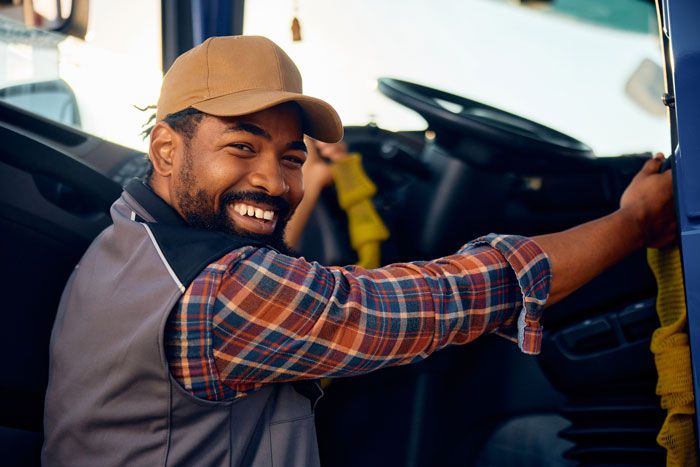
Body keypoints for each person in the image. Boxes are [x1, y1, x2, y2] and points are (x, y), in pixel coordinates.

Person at [42, 35, 675, 466]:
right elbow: (435, 301)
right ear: (166, 150)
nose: (272, 180)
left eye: (292, 158)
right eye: (242, 147)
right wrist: (633, 223)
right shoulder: (223, 294)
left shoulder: (126, 240)